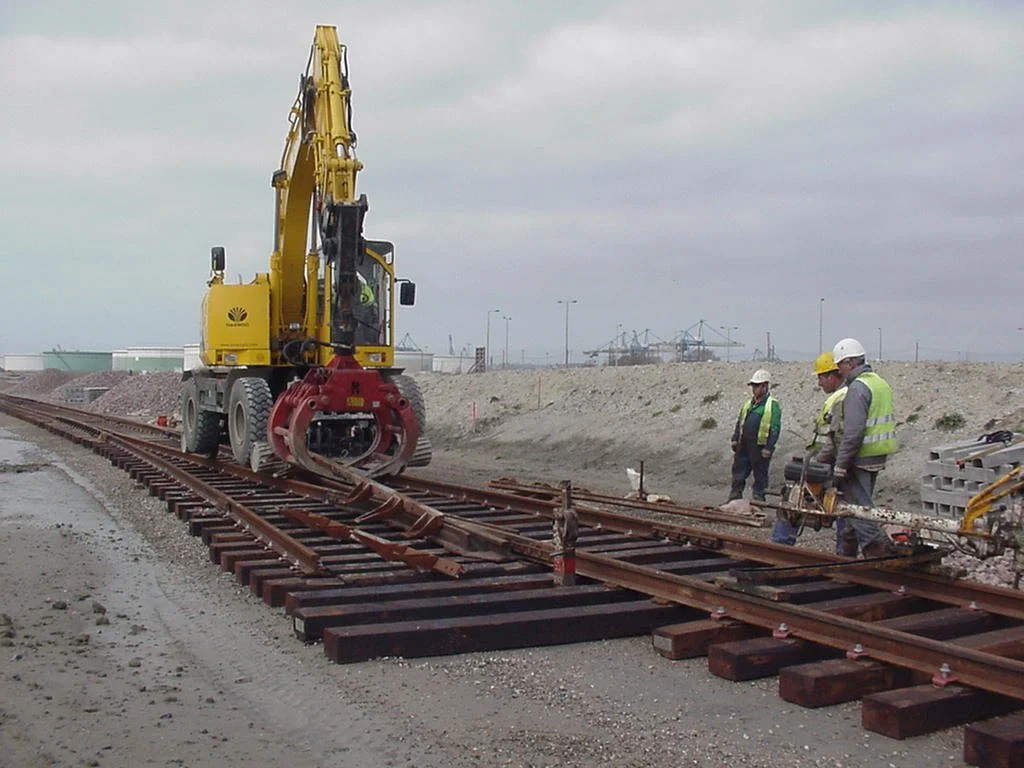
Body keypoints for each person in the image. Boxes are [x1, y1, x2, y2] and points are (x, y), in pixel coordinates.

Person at [830, 337, 899, 558]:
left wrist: (840, 466)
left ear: (849, 363)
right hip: (878, 454)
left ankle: (877, 552)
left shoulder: (858, 388)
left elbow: (853, 432)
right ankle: (846, 554)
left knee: (860, 509)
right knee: (857, 506)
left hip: (860, 457)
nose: (839, 371)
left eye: (840, 365)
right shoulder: (879, 383)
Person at [771, 352, 847, 547]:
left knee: (794, 500)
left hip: (827, 464)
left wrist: (814, 466)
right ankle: (844, 552)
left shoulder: (839, 398)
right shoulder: (843, 395)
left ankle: (781, 545)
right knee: (842, 509)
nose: (819, 383)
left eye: (821, 377)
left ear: (831, 376)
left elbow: (834, 439)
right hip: (835, 463)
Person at [729, 369, 781, 503]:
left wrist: (769, 447)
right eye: (753, 386)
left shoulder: (772, 405)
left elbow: (774, 428)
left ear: (765, 386)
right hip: (744, 444)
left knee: (760, 473)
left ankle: (759, 497)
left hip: (760, 446)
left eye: (757, 386)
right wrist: (735, 439)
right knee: (739, 470)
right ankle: (735, 495)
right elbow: (740, 422)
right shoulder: (748, 404)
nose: (754, 389)